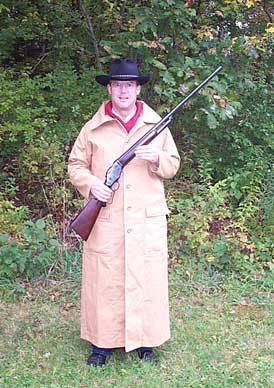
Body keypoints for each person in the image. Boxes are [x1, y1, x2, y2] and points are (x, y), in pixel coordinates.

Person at [68, 58, 180, 367]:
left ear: (138, 88)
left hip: (146, 219)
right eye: (117, 84)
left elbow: (173, 165)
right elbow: (76, 165)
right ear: (109, 88)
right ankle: (101, 344)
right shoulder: (93, 128)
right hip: (107, 219)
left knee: (146, 278)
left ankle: (146, 342)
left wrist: (157, 157)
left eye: (128, 84)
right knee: (104, 280)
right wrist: (92, 185)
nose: (123, 90)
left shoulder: (156, 126)